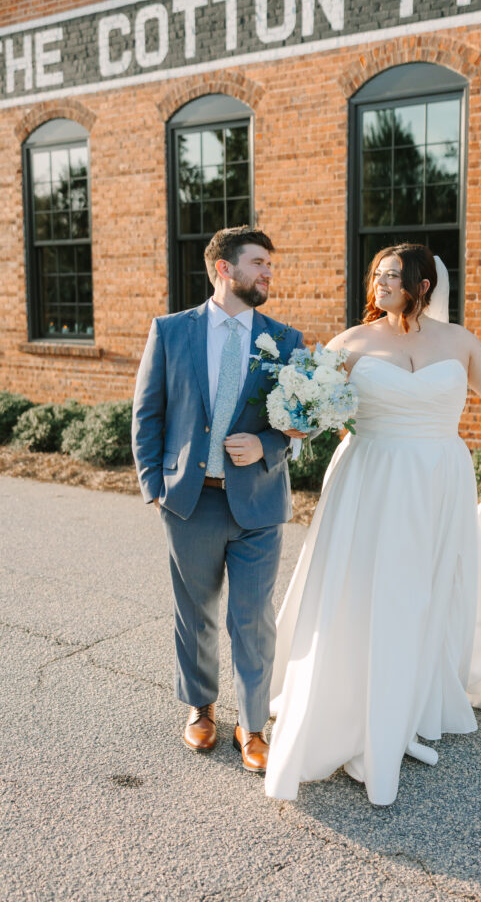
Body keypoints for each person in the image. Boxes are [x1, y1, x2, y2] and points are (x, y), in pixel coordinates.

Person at [264, 243, 481, 805]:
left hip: (440, 481)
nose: (380, 283)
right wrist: (297, 420)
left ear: (423, 285)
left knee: (423, 592)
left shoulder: (460, 343)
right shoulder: (350, 343)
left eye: (392, 275)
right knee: (367, 590)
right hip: (372, 479)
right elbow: (310, 414)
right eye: (377, 275)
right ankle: (353, 703)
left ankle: (408, 701)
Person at [132, 227, 305, 773]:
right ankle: (200, 707)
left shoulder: (286, 340)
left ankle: (251, 725)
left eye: (269, 264)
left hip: (259, 503)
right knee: (196, 614)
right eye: (258, 263)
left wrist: (267, 444)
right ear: (224, 269)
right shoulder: (170, 331)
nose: (267, 273)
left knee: (253, 620)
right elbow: (147, 413)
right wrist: (155, 486)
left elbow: (301, 420)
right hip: (190, 501)